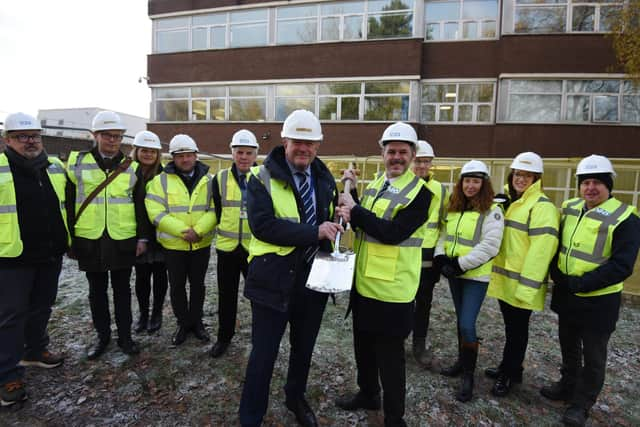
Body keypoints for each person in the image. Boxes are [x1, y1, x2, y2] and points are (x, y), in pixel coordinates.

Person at [238, 110, 343, 427]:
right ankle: (251, 416)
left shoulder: (325, 179)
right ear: (284, 141)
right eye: (298, 141)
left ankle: (295, 398)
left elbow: (326, 221)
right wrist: (315, 232)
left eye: (310, 143)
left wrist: (338, 220)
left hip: (313, 281)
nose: (304, 148)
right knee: (264, 353)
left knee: (303, 349)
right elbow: (263, 226)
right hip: (272, 279)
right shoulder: (260, 177)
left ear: (318, 145)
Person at [335, 122, 431, 427]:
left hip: (393, 291)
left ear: (413, 155)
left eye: (403, 151)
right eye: (391, 151)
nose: (397, 157)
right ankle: (368, 394)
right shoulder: (378, 184)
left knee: (390, 361)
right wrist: (351, 190)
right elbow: (364, 218)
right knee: (363, 349)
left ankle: (394, 417)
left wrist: (356, 209)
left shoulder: (421, 194)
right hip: (364, 285)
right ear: (383, 154)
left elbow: (392, 233)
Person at [541, 155, 640, 427]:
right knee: (568, 347)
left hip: (599, 301)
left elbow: (621, 266)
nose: (590, 188)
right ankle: (568, 385)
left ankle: (582, 403)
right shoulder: (571, 207)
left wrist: (580, 283)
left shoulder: (625, 217)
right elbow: (558, 243)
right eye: (585, 182)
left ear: (609, 185)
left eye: (597, 182)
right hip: (567, 295)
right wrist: (556, 272)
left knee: (594, 356)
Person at [66, 111, 148, 359]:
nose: (113, 140)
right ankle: (102, 337)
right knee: (96, 293)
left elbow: (140, 205)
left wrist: (142, 238)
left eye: (117, 136)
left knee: (122, 291)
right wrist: (69, 238)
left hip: (122, 238)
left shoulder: (132, 168)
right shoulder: (77, 163)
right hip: (90, 239)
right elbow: (68, 203)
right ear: (95, 135)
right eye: (107, 135)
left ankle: (125, 338)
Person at [0, 113, 68, 406]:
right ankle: (7, 375)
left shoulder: (54, 168)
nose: (30, 142)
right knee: (11, 316)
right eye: (22, 136)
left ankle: (35, 350)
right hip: (12, 255)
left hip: (49, 252)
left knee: (42, 306)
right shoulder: (2, 168)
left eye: (35, 136)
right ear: (7, 140)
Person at [486, 152, 559, 396]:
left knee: (518, 331)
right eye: (517, 174)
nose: (520, 179)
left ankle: (509, 375)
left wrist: (527, 288)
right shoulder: (509, 201)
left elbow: (541, 251)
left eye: (526, 175)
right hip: (507, 281)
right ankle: (510, 368)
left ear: (536, 178)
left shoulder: (541, 207)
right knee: (511, 329)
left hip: (522, 284)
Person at [434, 160, 504, 402]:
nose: (471, 185)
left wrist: (459, 264)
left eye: (476, 181)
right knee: (460, 322)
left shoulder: (492, 210)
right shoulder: (454, 206)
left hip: (475, 276)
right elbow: (443, 233)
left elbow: (490, 246)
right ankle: (461, 362)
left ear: (484, 184)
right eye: (467, 180)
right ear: (461, 182)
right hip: (455, 274)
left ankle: (468, 376)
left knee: (466, 323)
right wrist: (441, 256)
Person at [145, 134, 216, 346]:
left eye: (189, 155)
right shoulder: (161, 181)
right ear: (173, 158)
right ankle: (183, 323)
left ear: (196, 156)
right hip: (174, 245)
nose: (185, 159)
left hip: (200, 243)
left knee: (197, 285)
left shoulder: (209, 180)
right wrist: (184, 231)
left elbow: (215, 209)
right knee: (176, 286)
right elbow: (155, 212)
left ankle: (197, 322)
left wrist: (200, 230)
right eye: (180, 156)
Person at [209, 129, 258, 358]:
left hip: (254, 249)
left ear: (256, 154)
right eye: (240, 152)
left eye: (249, 152)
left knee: (258, 297)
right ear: (232, 153)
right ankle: (224, 337)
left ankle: (260, 338)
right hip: (227, 248)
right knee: (226, 296)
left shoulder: (264, 177)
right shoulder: (219, 179)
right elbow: (217, 209)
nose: (244, 157)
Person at [411, 140, 449, 367]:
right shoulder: (403, 184)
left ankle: (418, 344)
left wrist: (438, 254)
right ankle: (397, 340)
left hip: (427, 255)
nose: (422, 166)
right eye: (418, 161)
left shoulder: (440, 189)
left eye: (426, 161)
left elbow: (444, 224)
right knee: (402, 300)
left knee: (423, 302)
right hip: (405, 251)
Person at [130, 131, 168, 333]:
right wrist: (139, 237)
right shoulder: (127, 174)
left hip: (160, 234)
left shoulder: (164, 175)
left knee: (161, 277)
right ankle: (143, 313)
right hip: (138, 235)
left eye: (152, 151)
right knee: (142, 278)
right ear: (136, 151)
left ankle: (157, 313)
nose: (148, 155)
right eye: (144, 150)